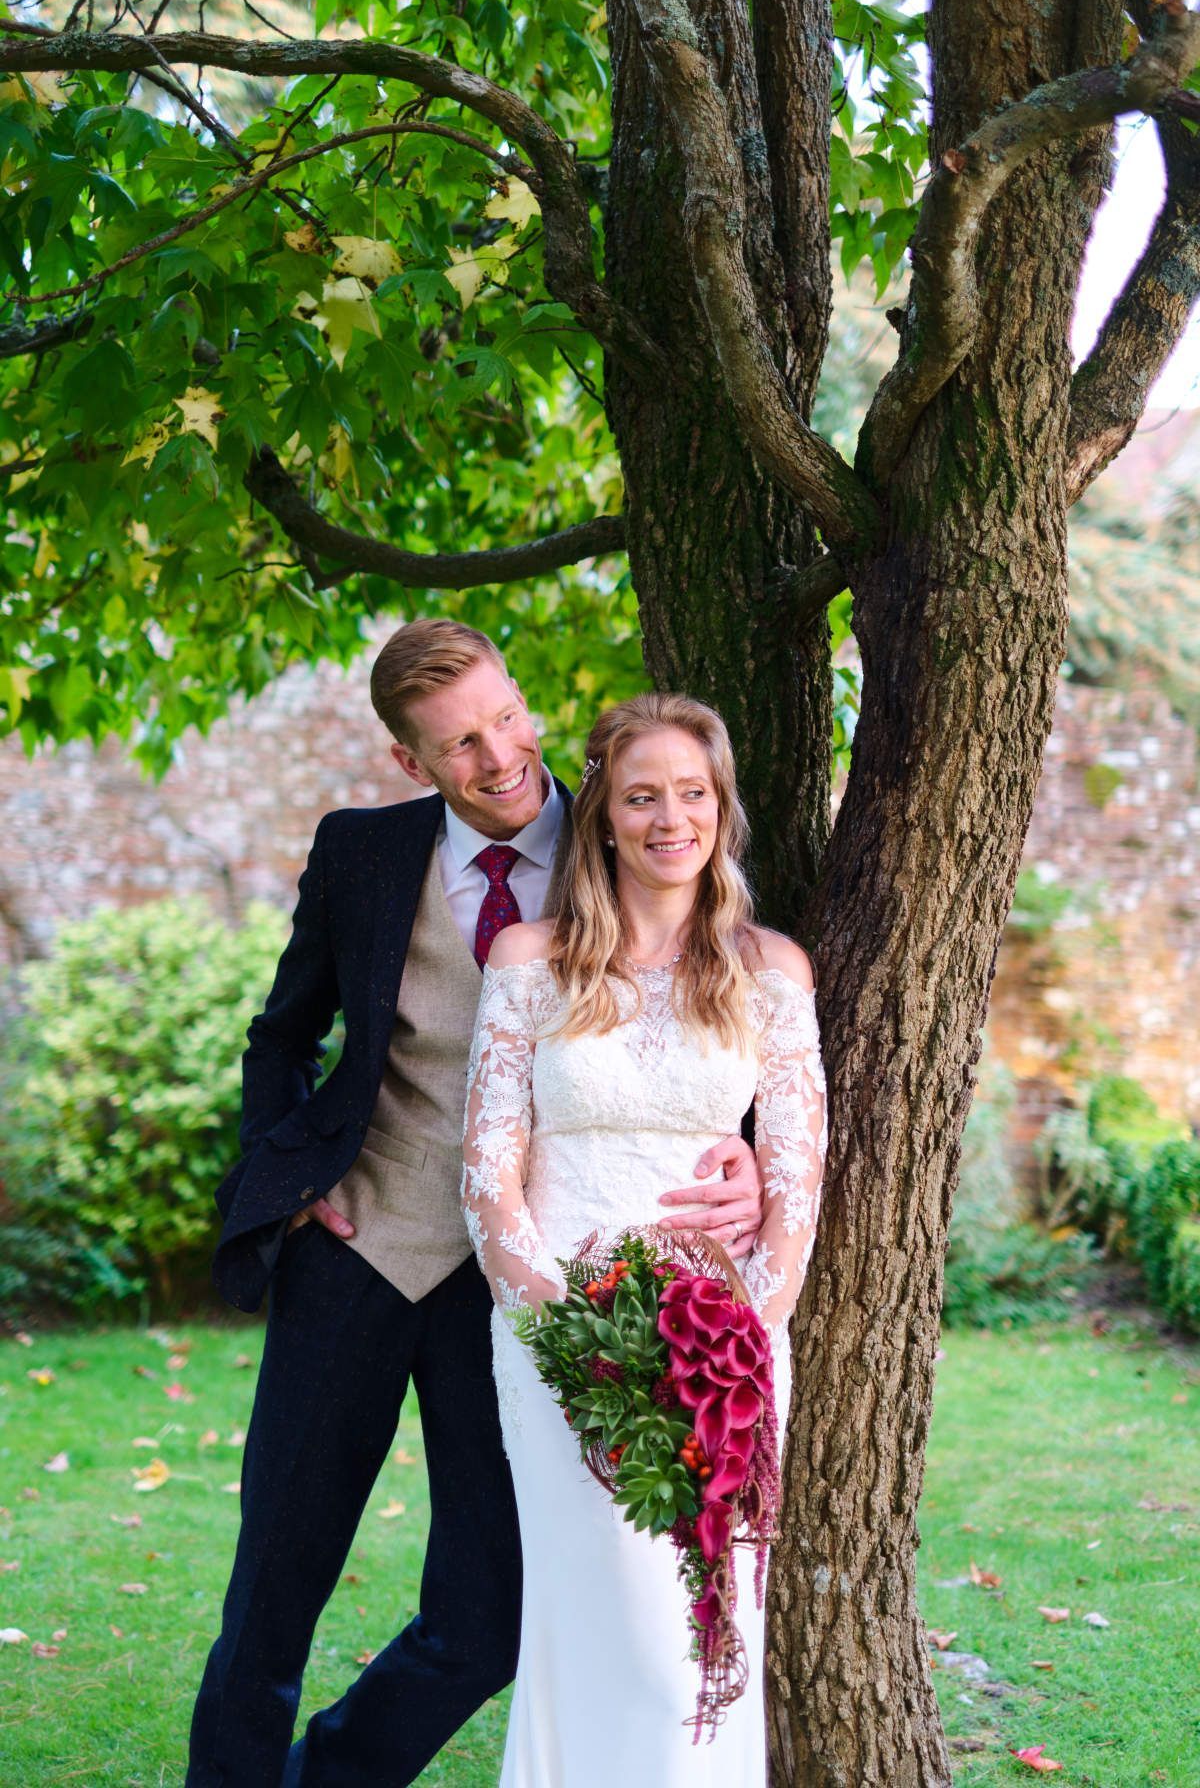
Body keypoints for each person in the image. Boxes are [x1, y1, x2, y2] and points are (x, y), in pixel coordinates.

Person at [187, 622, 767, 1788]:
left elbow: (715, 1001)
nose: (496, 756)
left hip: (520, 1284)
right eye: (457, 744)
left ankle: (329, 1777)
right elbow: (282, 1035)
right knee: (275, 1581)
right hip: (358, 1249)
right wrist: (297, 1175)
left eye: (504, 719)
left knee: (488, 1610)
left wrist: (744, 1150)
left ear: (530, 708)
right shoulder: (359, 854)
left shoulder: (626, 839)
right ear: (413, 763)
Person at [461, 691, 827, 1785]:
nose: (672, 817)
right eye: (641, 796)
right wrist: (572, 1342)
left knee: (701, 1644)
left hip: (723, 1348)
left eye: (693, 793)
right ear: (605, 818)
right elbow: (486, 1170)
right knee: (590, 1626)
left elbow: (800, 1174)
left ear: (721, 808)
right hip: (558, 1340)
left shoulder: (771, 970)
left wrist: (740, 1335)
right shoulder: (530, 955)